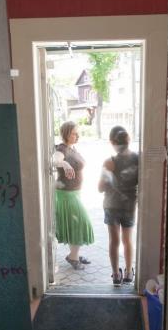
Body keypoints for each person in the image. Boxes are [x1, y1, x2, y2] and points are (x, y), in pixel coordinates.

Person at [98, 126, 139, 286]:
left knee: (113, 241)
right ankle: (129, 273)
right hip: (129, 205)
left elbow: (100, 187)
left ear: (113, 142)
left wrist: (110, 181)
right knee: (127, 240)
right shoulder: (137, 158)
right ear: (128, 140)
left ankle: (116, 275)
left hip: (111, 205)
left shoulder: (109, 162)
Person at [53, 121, 94, 270]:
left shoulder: (72, 148)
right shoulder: (61, 149)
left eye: (78, 133)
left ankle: (74, 254)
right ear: (66, 133)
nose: (78, 136)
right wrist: (64, 164)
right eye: (74, 133)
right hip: (67, 195)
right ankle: (73, 257)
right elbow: (54, 160)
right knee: (81, 223)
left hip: (74, 193)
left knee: (74, 225)